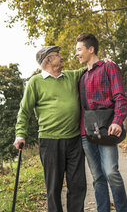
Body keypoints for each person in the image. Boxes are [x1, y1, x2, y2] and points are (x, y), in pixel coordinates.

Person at [13, 45, 86, 212]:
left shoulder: (70, 76)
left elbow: (88, 68)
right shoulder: (35, 82)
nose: (61, 57)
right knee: (53, 187)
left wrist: (103, 62)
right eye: (57, 55)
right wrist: (20, 134)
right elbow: (24, 111)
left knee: (78, 185)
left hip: (74, 140)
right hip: (50, 140)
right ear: (48, 59)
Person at [75, 33, 127, 212]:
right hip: (86, 133)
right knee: (98, 177)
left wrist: (118, 121)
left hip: (107, 129)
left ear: (91, 49)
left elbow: (120, 96)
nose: (76, 53)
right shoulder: (81, 76)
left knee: (111, 173)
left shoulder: (109, 66)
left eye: (79, 49)